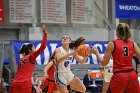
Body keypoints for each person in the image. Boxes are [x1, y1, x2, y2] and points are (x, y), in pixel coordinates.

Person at [91, 23, 140, 93]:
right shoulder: (133, 43)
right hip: (132, 75)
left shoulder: (112, 44)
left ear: (116, 32)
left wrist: (96, 53)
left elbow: (104, 63)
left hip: (120, 75)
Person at [9, 24, 47, 93]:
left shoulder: (21, 59)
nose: (35, 50)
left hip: (15, 83)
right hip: (25, 84)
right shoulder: (32, 56)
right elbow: (43, 46)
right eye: (34, 48)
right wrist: (45, 33)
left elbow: (19, 72)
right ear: (30, 51)